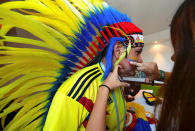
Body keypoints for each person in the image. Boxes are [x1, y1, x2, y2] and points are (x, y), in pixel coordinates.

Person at [0, 0, 145, 130]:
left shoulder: (117, 80)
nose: (141, 60)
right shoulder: (78, 89)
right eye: (138, 52)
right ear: (119, 50)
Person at [86, 0, 195, 131]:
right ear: (119, 50)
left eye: (178, 48)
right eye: (137, 52)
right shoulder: (89, 85)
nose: (173, 57)